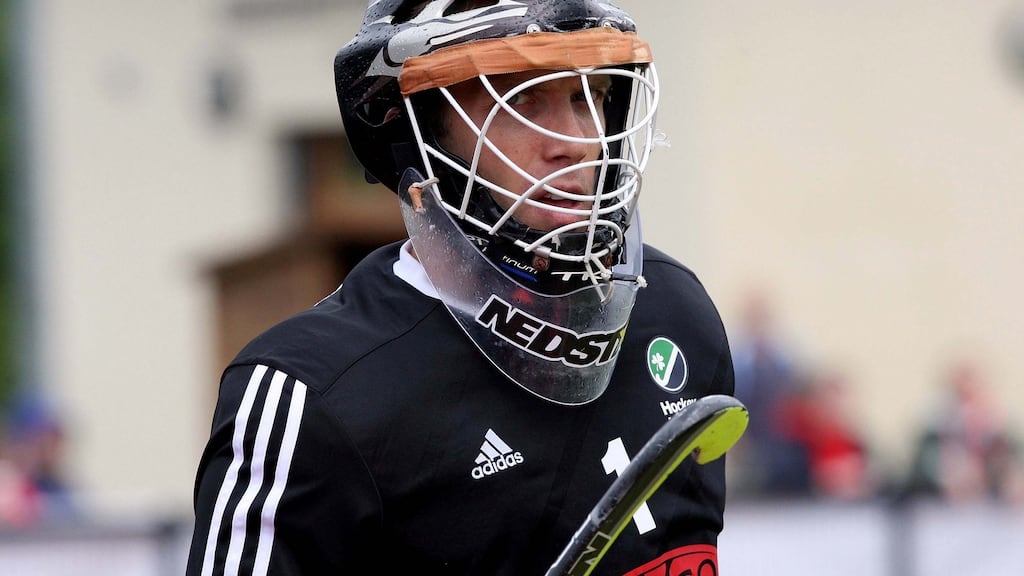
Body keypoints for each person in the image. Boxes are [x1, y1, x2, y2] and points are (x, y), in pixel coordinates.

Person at [187, 1, 736, 574]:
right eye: (521, 99)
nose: (575, 142)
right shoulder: (314, 392)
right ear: (425, 132)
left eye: (587, 96)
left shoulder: (677, 312)